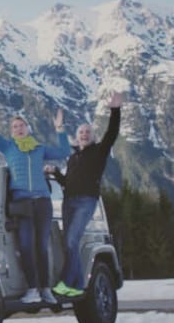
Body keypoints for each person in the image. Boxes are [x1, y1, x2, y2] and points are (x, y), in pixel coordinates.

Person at [0, 92, 70, 304]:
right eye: (14, 127)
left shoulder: (39, 149)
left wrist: (60, 129)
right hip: (22, 204)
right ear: (11, 132)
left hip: (43, 202)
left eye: (21, 126)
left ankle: (46, 289)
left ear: (28, 128)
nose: (18, 129)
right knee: (26, 246)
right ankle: (32, 289)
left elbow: (64, 151)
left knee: (42, 247)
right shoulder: (8, 147)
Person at [47, 92, 123, 298]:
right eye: (81, 132)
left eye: (88, 132)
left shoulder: (99, 151)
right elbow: (67, 183)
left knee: (72, 241)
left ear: (93, 136)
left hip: (86, 202)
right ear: (77, 136)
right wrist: (55, 172)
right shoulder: (73, 157)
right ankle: (79, 285)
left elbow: (112, 133)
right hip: (68, 201)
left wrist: (115, 110)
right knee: (68, 244)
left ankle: (65, 283)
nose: (84, 134)